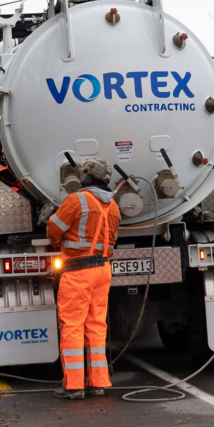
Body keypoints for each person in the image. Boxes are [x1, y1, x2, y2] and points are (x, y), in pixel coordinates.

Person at [46, 158, 120, 400]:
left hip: (78, 271)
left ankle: (74, 386)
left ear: (86, 177)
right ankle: (99, 383)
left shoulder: (76, 200)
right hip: (103, 270)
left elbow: (53, 230)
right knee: (97, 326)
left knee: (72, 326)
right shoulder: (114, 206)